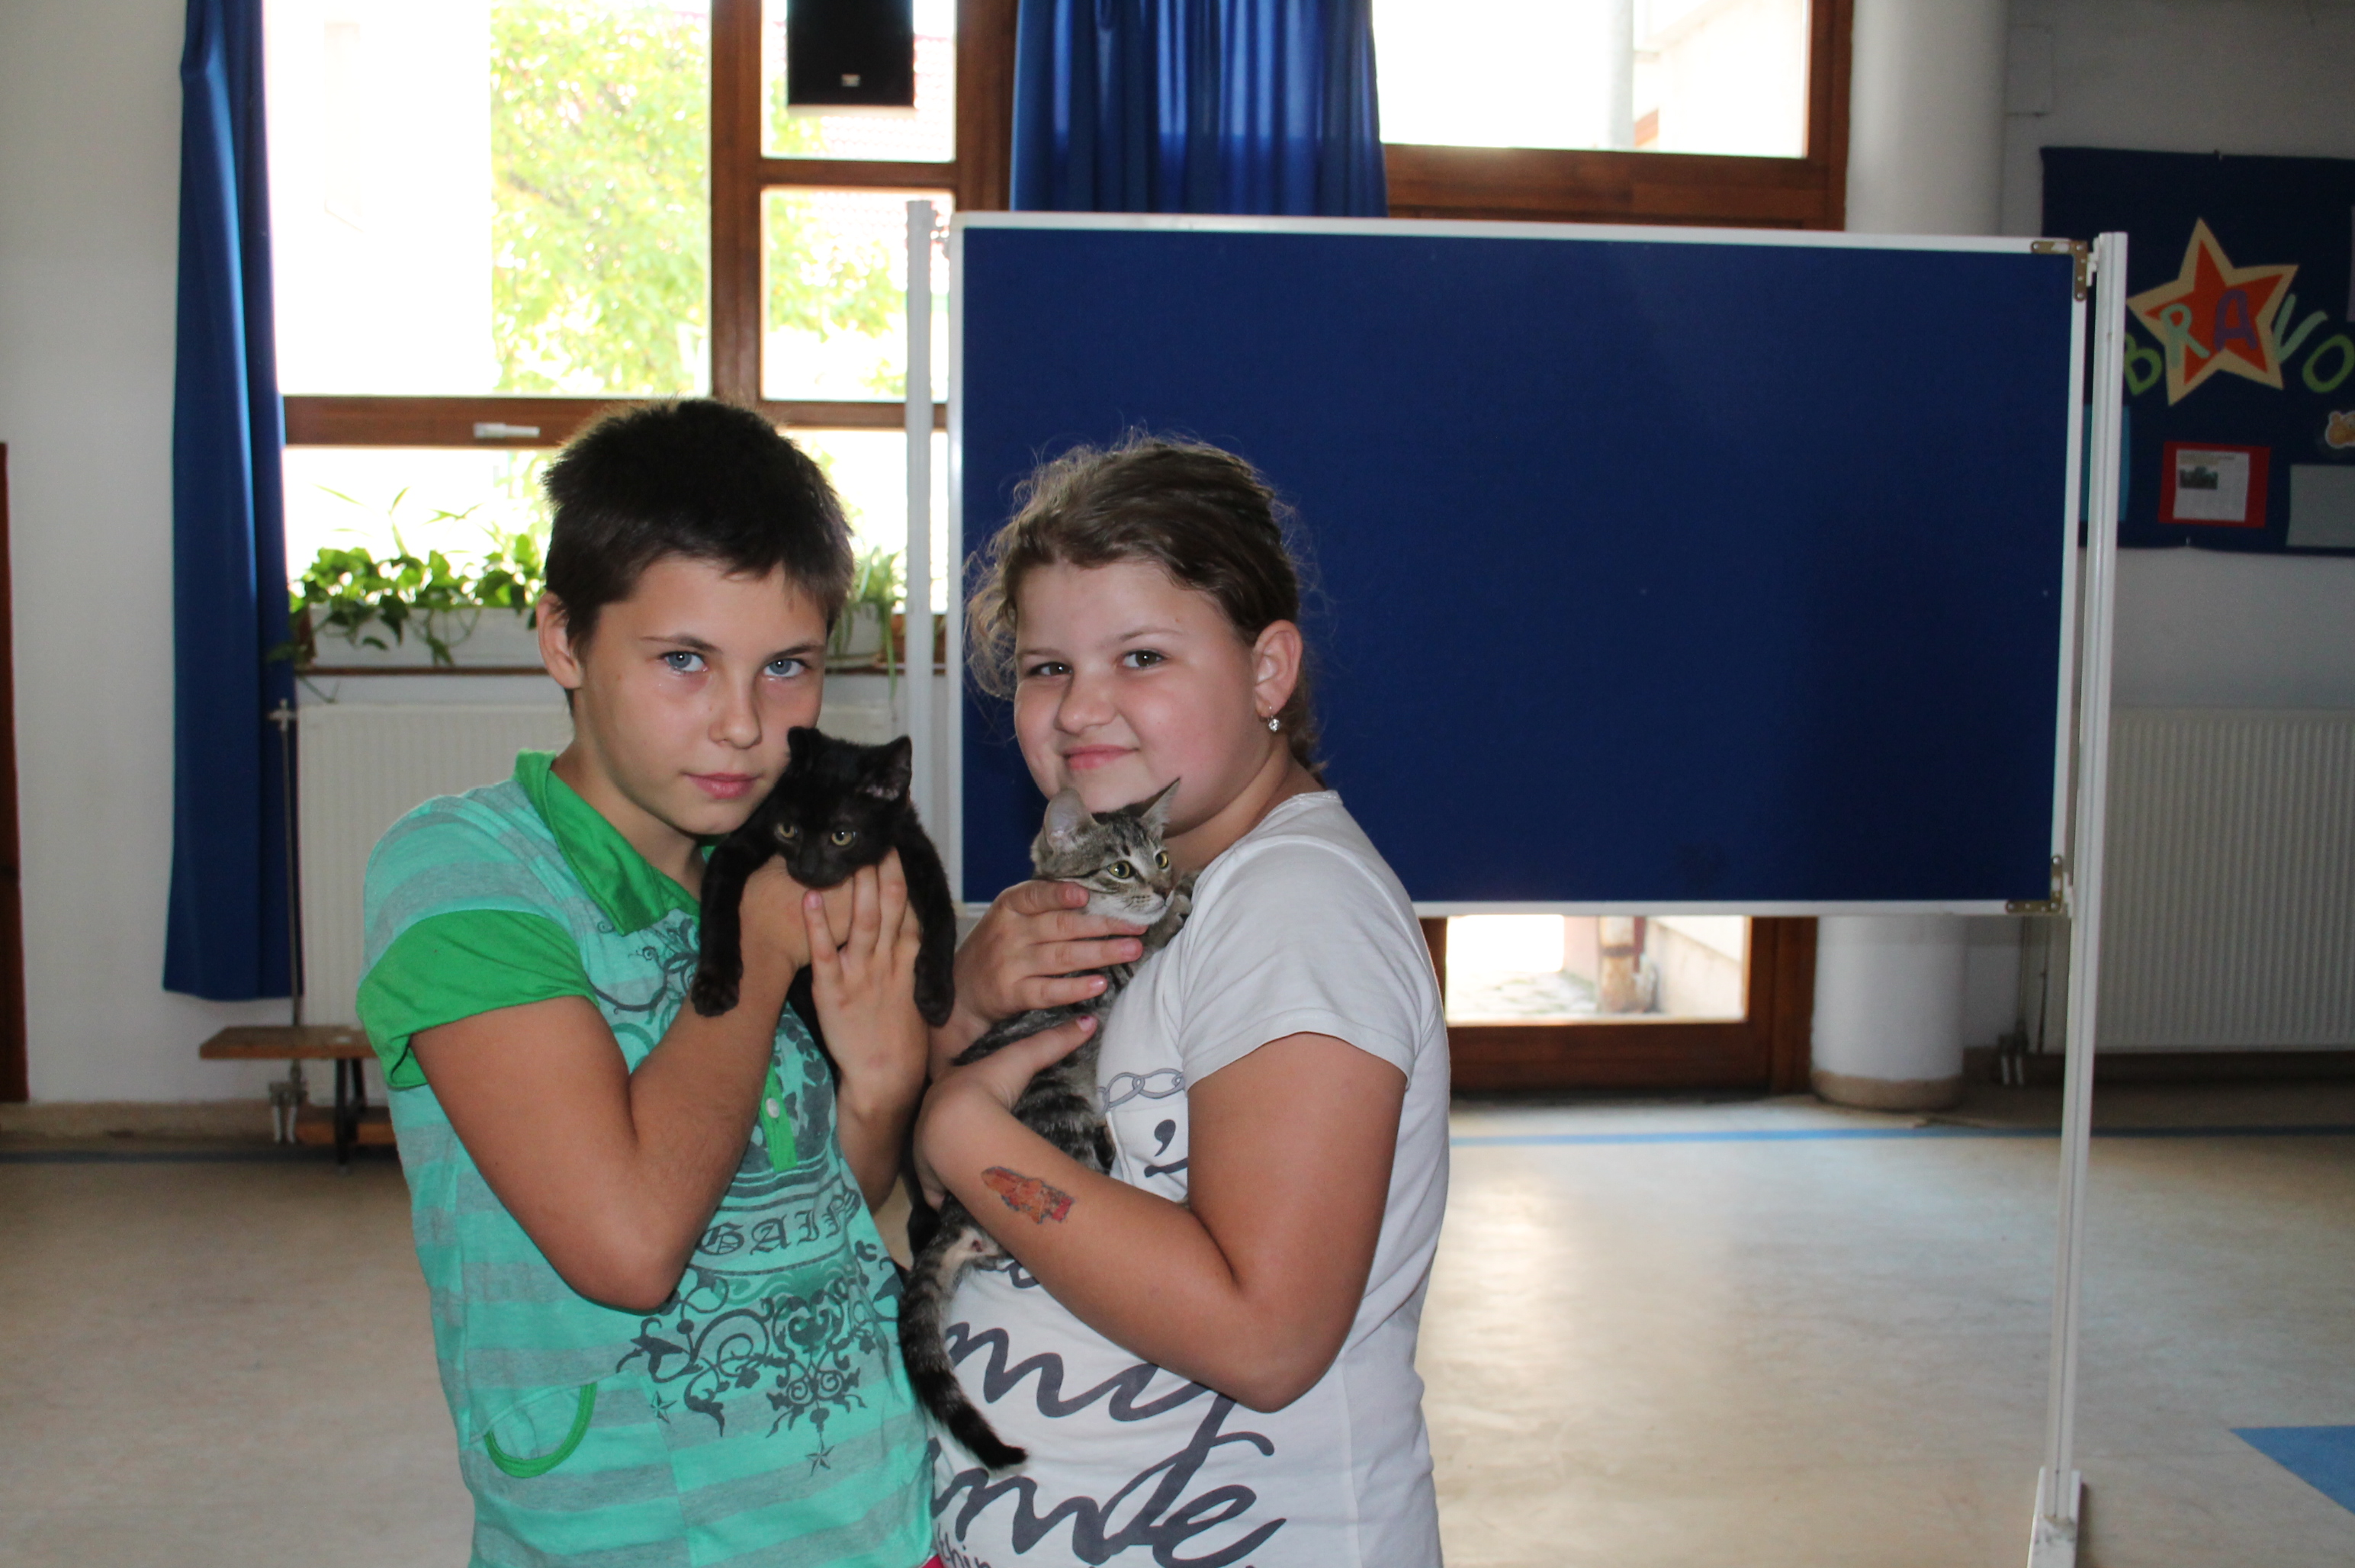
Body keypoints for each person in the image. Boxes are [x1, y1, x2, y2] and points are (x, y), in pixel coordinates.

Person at [356, 400, 936, 1567]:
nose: (743, 727)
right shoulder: (467, 874)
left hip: (879, 1517)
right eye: (683, 661)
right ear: (564, 640)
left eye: (787, 668)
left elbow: (810, 1209)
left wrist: (881, 1090)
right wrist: (758, 952)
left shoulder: (770, 864)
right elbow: (628, 1247)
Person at [915, 436, 1451, 1566]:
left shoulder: (1295, 908)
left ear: (1267, 672)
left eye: (1143, 657)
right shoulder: (1146, 890)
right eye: (1047, 668)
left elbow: (1266, 1336)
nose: (1079, 708)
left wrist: (964, 1134)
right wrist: (961, 1018)